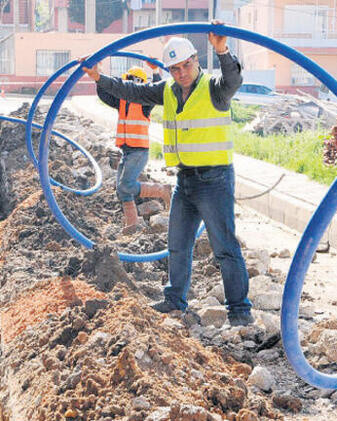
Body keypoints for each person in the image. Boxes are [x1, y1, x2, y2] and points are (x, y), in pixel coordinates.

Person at [82, 22, 254, 326]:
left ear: (196, 61)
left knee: (225, 247)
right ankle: (175, 301)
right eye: (174, 69)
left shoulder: (214, 89)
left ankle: (239, 311)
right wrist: (99, 78)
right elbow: (131, 90)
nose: (181, 73)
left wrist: (223, 50)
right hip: (185, 180)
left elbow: (234, 79)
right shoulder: (169, 91)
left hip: (214, 180)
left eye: (185, 66)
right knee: (178, 244)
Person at [96, 63, 172, 234]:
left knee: (127, 186)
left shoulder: (145, 103)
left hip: (139, 151)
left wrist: (155, 71)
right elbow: (103, 93)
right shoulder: (121, 101)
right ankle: (131, 227)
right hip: (127, 151)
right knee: (122, 191)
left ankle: (162, 190)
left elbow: (157, 91)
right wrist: (97, 76)